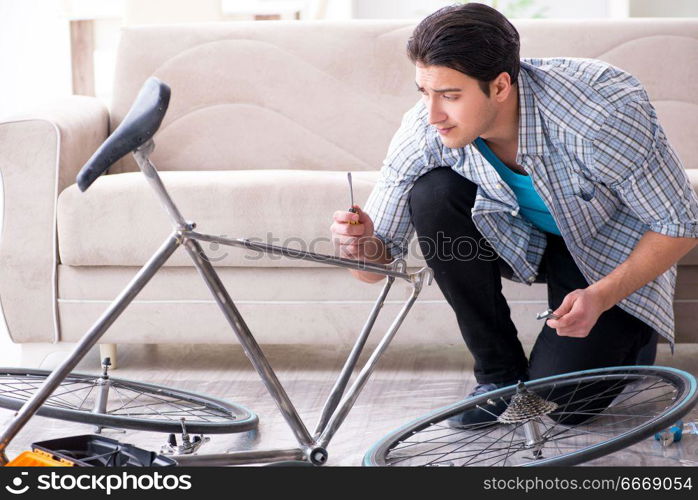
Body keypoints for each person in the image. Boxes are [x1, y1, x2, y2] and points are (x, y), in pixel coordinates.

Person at [330, 3, 698, 426]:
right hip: (524, 239)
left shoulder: (599, 114)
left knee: (562, 406)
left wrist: (602, 297)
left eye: (450, 96)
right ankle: (498, 377)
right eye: (424, 93)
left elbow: (681, 224)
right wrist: (358, 246)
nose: (433, 114)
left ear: (501, 86)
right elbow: (377, 268)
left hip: (608, 247)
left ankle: (631, 334)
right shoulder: (424, 130)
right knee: (433, 194)